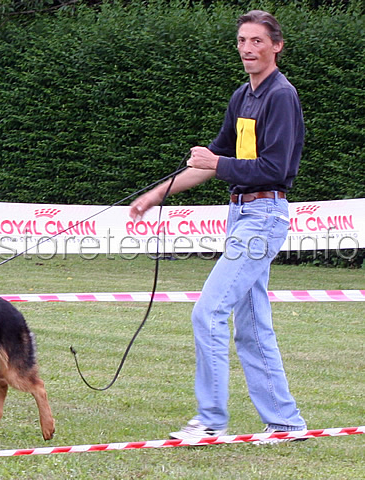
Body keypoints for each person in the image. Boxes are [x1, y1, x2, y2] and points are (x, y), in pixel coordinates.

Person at [129, 10, 306, 443]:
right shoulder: (243, 96)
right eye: (242, 41)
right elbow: (209, 162)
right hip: (241, 214)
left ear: (276, 46)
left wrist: (218, 163)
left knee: (208, 312)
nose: (248, 49)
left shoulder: (281, 96)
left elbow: (274, 166)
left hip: (264, 215)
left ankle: (210, 420)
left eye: (257, 41)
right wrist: (157, 194)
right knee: (251, 324)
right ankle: (285, 423)